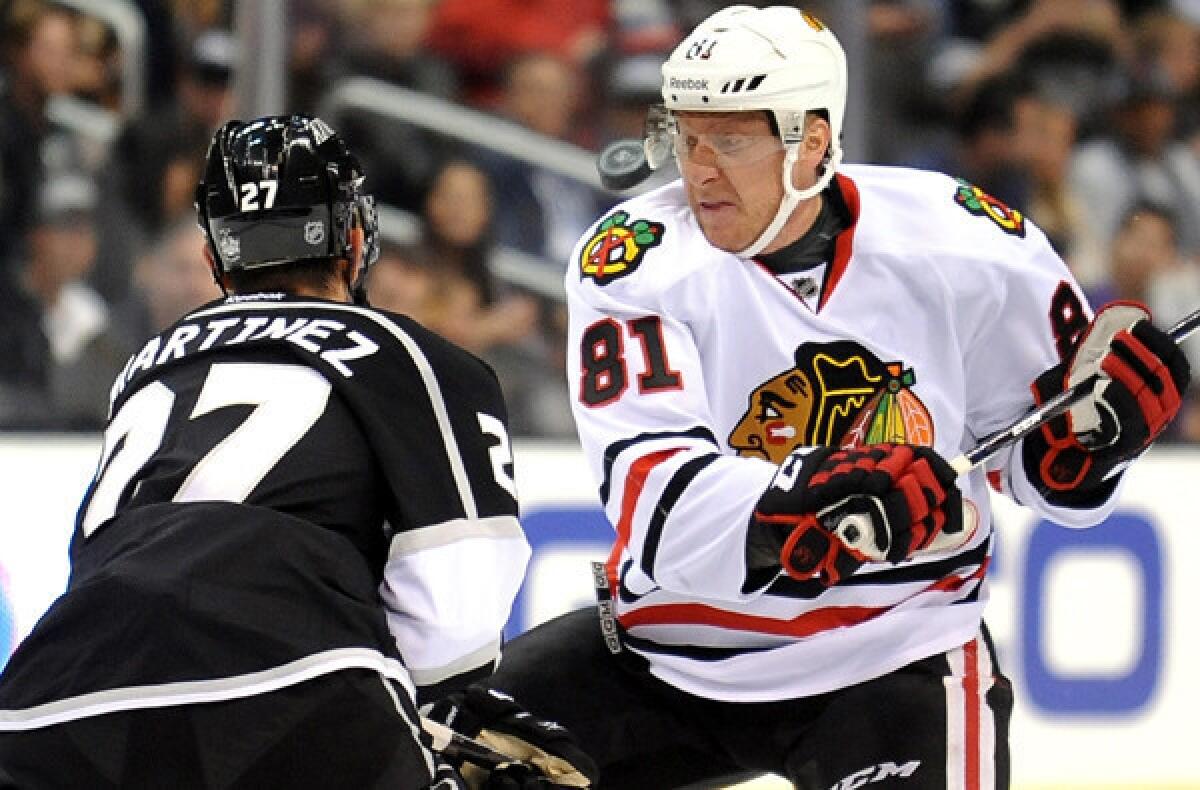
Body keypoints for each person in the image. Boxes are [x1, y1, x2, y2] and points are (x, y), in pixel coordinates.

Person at [483, 7, 1190, 789]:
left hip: (892, 656)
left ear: (811, 142)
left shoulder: (971, 245)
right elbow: (659, 514)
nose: (699, 169)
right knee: (435, 759)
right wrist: (822, 491)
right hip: (669, 657)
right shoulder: (636, 264)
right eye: (688, 136)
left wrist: (1091, 447)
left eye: (733, 140)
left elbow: (1047, 472)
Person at [0, 114, 595, 790]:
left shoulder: (147, 364)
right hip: (294, 683)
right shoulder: (410, 355)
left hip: (51, 695)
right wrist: (423, 724)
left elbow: (100, 554)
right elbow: (455, 609)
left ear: (213, 259)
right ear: (357, 239)